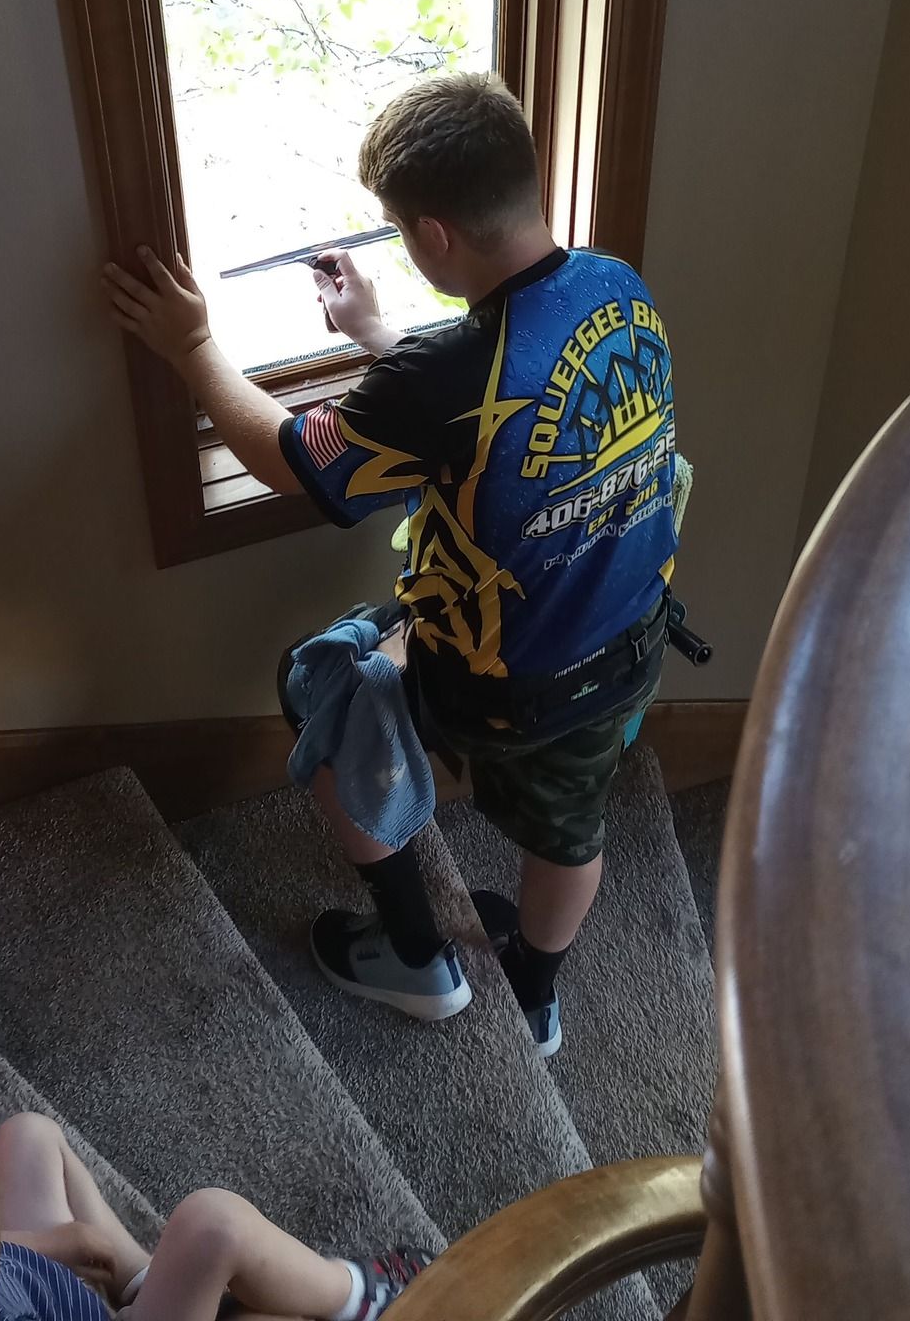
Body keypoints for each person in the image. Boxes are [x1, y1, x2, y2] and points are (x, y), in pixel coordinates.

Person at [103, 72, 678, 1057]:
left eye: (403, 230)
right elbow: (510, 392)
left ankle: (417, 955)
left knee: (320, 679)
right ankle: (535, 997)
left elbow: (300, 464)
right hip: (626, 641)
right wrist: (377, 335)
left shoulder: (439, 379)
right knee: (571, 830)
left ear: (435, 235)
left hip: (509, 683)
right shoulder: (617, 285)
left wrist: (194, 343)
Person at [0, 1110, 431, 1321]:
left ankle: (142, 1280)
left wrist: (59, 1245)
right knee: (212, 1225)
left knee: (25, 1136)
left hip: (66, 1302)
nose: (0, 1236)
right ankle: (365, 1298)